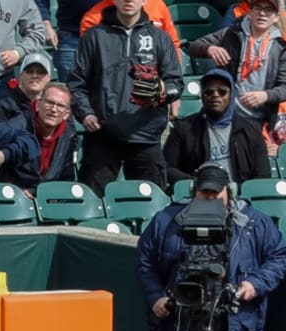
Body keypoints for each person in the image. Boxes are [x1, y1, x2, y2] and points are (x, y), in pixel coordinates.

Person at [136, 163, 286, 331]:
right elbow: (145, 262)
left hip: (231, 327)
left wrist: (254, 284)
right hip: (180, 325)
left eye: (215, 193)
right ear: (192, 191)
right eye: (203, 193)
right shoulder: (166, 221)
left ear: (230, 191)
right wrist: (156, 296)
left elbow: (278, 257)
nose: (209, 199)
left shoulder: (254, 223)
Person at [68, 0, 182, 196]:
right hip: (103, 134)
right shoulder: (94, 37)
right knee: (94, 203)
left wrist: (163, 92)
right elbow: (76, 83)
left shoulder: (160, 38)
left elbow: (176, 84)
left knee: (150, 205)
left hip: (146, 135)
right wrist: (85, 113)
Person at [186, 0, 286, 124]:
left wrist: (266, 95)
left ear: (276, 17)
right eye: (257, 8)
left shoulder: (280, 48)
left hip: (258, 122)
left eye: (268, 10)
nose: (262, 13)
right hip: (224, 116)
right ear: (250, 12)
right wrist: (210, 48)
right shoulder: (230, 34)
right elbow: (193, 47)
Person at [164, 68, 271, 187]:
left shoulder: (251, 130)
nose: (215, 95)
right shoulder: (184, 128)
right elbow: (167, 168)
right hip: (198, 197)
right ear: (202, 96)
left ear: (231, 94)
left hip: (240, 199)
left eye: (222, 91)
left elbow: (263, 174)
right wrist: (196, 182)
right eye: (209, 92)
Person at [20, 82, 80, 189]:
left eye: (60, 106)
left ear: (66, 114)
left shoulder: (68, 136)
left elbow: (67, 177)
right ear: (38, 105)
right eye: (49, 103)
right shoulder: (17, 129)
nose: (54, 110)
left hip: (51, 198)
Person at [0, 52, 53, 130]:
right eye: (29, 71)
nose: (34, 75)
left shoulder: (55, 105)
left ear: (48, 78)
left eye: (40, 72)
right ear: (21, 76)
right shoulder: (5, 105)